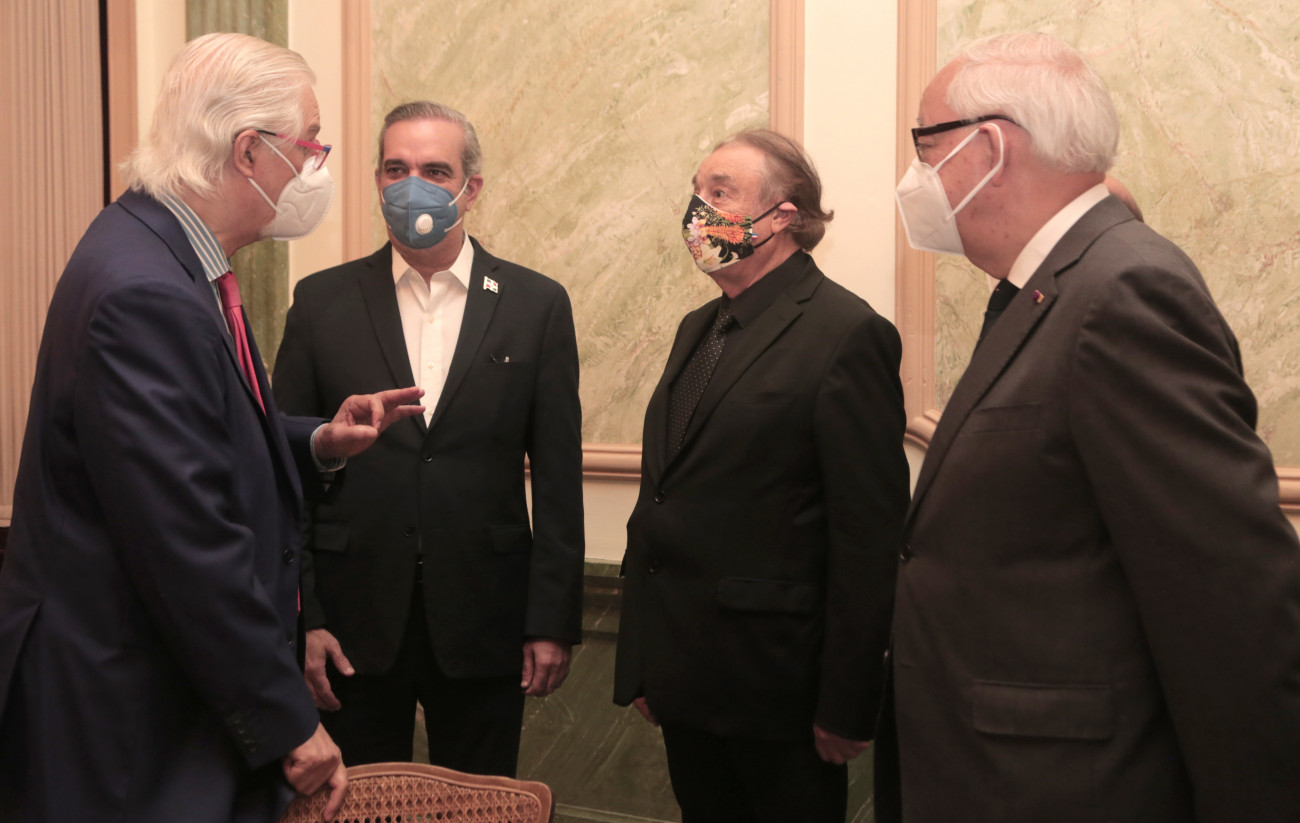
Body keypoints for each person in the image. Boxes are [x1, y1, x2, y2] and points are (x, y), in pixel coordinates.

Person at [0, 33, 425, 823]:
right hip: (130, 719)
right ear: (249, 151)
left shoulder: (162, 253)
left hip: (146, 696)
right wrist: (287, 720)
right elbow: (186, 539)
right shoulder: (147, 292)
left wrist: (313, 441)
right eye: (311, 144)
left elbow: (197, 444)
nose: (315, 169)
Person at [881, 31, 1300, 823]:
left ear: (988, 150)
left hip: (1064, 787)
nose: (917, 173)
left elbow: (1229, 602)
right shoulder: (1051, 286)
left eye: (925, 146)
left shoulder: (1123, 289)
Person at [272, 101, 584, 778]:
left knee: (479, 805)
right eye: (396, 169)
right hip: (350, 625)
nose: (412, 184)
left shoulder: (536, 304)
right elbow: (282, 471)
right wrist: (303, 619)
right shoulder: (321, 301)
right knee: (354, 804)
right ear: (377, 180)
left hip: (487, 618)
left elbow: (560, 476)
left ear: (471, 188)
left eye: (435, 170)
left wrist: (551, 620)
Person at [613, 129, 909, 822]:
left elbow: (868, 536)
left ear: (782, 217)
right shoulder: (698, 326)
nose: (698, 209)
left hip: (779, 694)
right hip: (684, 679)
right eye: (697, 191)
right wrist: (645, 662)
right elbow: (665, 496)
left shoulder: (846, 332)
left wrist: (848, 703)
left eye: (720, 193)